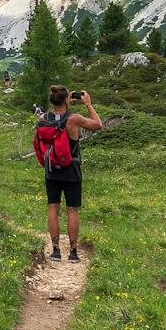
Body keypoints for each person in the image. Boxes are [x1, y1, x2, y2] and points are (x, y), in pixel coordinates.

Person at [33, 85, 101, 261]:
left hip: (51, 170)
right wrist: (88, 104)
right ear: (66, 100)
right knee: (72, 210)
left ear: (51, 100)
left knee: (53, 208)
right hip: (71, 169)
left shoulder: (42, 119)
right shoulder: (73, 119)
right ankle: (73, 253)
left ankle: (55, 250)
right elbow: (98, 125)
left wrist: (64, 103)